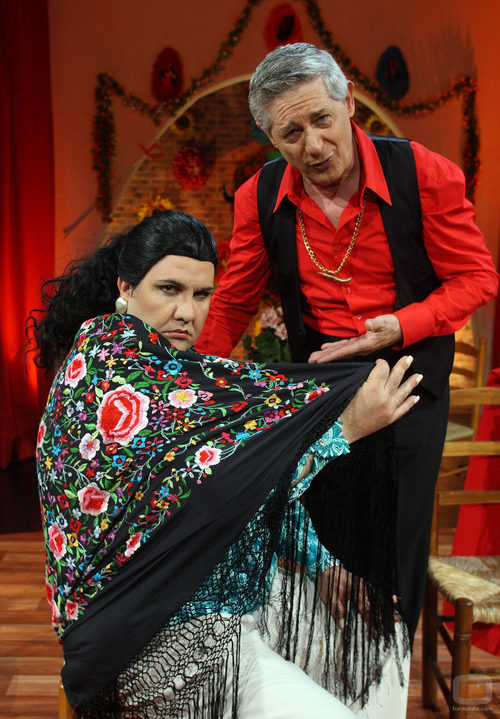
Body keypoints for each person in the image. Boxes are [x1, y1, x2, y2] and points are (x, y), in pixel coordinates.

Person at [195, 42, 500, 714]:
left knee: (390, 553)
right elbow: (234, 302)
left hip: (408, 379)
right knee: (324, 550)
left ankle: (382, 695)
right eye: (290, 133)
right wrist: (191, 383)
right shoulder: (259, 197)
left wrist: (402, 325)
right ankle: (325, 695)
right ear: (271, 137)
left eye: (322, 120)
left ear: (349, 103)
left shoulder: (423, 174)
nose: (312, 145)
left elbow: (477, 277)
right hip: (322, 390)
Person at [30, 210, 422, 718]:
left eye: (202, 294)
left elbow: (244, 474)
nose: (187, 313)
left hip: (227, 595)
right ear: (126, 286)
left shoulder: (174, 372)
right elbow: (219, 495)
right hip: (156, 627)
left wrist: (322, 566)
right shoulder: (110, 370)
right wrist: (343, 429)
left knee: (380, 640)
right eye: (169, 289)